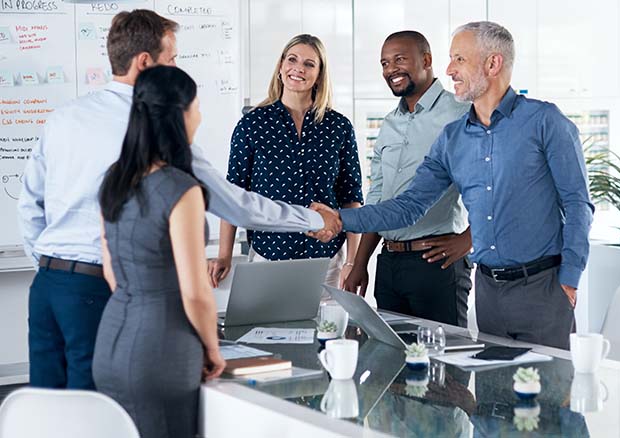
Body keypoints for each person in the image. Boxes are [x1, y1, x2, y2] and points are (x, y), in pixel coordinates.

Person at [17, 9, 340, 390]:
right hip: (101, 291)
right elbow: (237, 204)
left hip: (48, 289)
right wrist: (315, 220)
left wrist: (52, 267)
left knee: (49, 412)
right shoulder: (158, 128)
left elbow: (29, 205)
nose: (175, 67)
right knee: (101, 413)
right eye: (171, 59)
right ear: (145, 63)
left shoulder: (65, 117)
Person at [313, 21, 593, 350]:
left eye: (459, 59)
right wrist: (340, 218)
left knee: (547, 395)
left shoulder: (545, 122)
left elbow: (577, 204)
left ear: (493, 63)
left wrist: (570, 279)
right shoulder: (452, 138)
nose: (449, 69)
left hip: (543, 288)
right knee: (493, 397)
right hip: (489, 291)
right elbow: (409, 207)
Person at [92, 65, 219, 438]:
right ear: (180, 115)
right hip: (162, 350)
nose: (200, 115)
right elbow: (195, 292)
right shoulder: (181, 189)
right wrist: (212, 348)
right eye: (196, 106)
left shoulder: (114, 179)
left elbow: (112, 273)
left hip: (111, 341)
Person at [209, 34, 362, 289]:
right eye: (292, 59)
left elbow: (351, 196)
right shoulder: (252, 124)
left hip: (326, 262)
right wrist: (224, 254)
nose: (298, 68)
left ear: (320, 74)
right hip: (269, 256)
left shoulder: (339, 127)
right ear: (281, 67)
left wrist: (353, 262)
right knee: (267, 329)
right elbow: (234, 193)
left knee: (325, 329)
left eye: (309, 64)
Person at [342, 31, 472, 327]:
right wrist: (360, 263)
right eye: (385, 63)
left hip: (436, 263)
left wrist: (468, 240)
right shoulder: (389, 123)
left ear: (426, 60)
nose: (391, 70)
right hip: (389, 264)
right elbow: (378, 199)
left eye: (399, 59)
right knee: (393, 361)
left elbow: (493, 184)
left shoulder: (461, 114)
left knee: (445, 363)